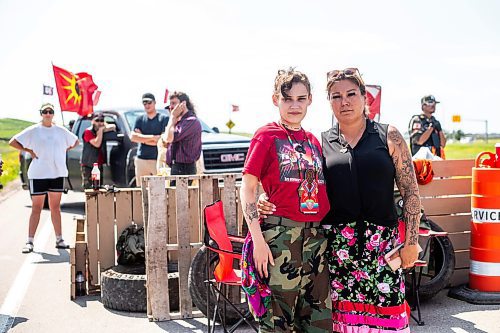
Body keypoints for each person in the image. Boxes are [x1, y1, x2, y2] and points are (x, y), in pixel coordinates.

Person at [259, 68, 421, 333]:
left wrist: (412, 242)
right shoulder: (319, 143)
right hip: (336, 253)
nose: (344, 102)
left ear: (364, 97)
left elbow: (411, 192)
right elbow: (297, 183)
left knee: (388, 321)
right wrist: (267, 197)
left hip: (382, 250)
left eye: (351, 94)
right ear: (328, 101)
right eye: (336, 96)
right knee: (342, 325)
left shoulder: (388, 135)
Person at [240, 68, 332, 332]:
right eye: (287, 98)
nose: (294, 105)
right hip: (280, 240)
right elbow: (247, 187)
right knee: (277, 322)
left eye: (300, 99)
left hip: (316, 240)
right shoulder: (266, 135)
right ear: (275, 99)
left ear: (310, 100)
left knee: (318, 322)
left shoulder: (313, 140)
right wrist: (257, 240)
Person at [9, 103, 79, 253]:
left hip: (57, 173)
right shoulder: (34, 130)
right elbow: (13, 142)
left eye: (50, 111)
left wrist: (63, 149)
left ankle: (59, 239)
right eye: (45, 111)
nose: (48, 114)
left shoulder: (61, 130)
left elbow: (75, 141)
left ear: (53, 114)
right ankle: (29, 241)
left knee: (55, 208)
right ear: (41, 113)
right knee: (37, 208)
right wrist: (29, 150)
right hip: (38, 174)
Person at [161, 91, 202, 179]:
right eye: (170, 104)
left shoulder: (191, 121)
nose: (171, 107)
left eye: (174, 103)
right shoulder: (179, 121)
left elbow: (168, 138)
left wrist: (172, 118)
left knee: (179, 193)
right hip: (176, 166)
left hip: (184, 168)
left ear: (183, 104)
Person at [130, 93, 169, 185]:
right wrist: (153, 138)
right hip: (141, 159)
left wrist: (142, 138)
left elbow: (163, 140)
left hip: (158, 160)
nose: (147, 105)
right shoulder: (139, 119)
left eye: (149, 102)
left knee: (161, 188)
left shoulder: (163, 118)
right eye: (144, 103)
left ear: (154, 103)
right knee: (141, 190)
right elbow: (133, 137)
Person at [80, 112, 116, 189]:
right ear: (92, 121)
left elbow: (113, 126)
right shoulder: (88, 132)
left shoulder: (102, 129)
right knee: (90, 189)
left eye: (101, 120)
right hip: (89, 166)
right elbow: (97, 143)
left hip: (98, 165)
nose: (99, 123)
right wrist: (100, 131)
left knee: (99, 188)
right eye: (97, 120)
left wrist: (103, 128)